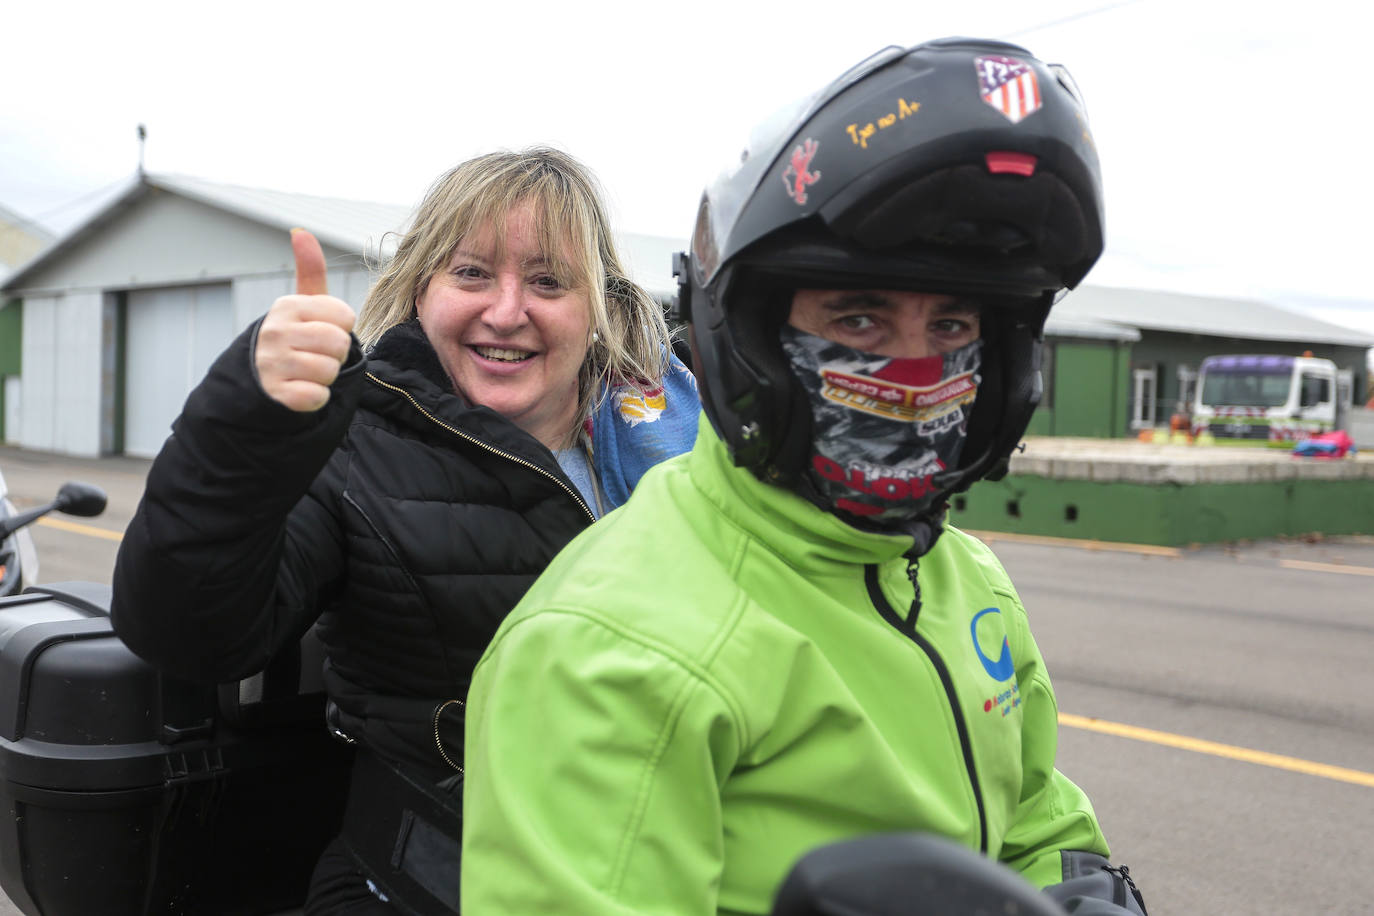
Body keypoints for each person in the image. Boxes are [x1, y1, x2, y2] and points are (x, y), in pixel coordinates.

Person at [460, 39, 1147, 915]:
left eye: (951, 326)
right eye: (859, 319)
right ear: (747, 339)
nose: (913, 365)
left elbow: (1037, 823)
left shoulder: (963, 577)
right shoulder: (608, 649)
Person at [110, 147, 699, 914]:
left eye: (549, 281)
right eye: (472, 273)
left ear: (598, 309)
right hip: (432, 879)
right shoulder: (358, 444)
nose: (507, 309)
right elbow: (189, 631)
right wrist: (247, 424)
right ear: (422, 289)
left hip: (681, 857)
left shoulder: (685, 440)